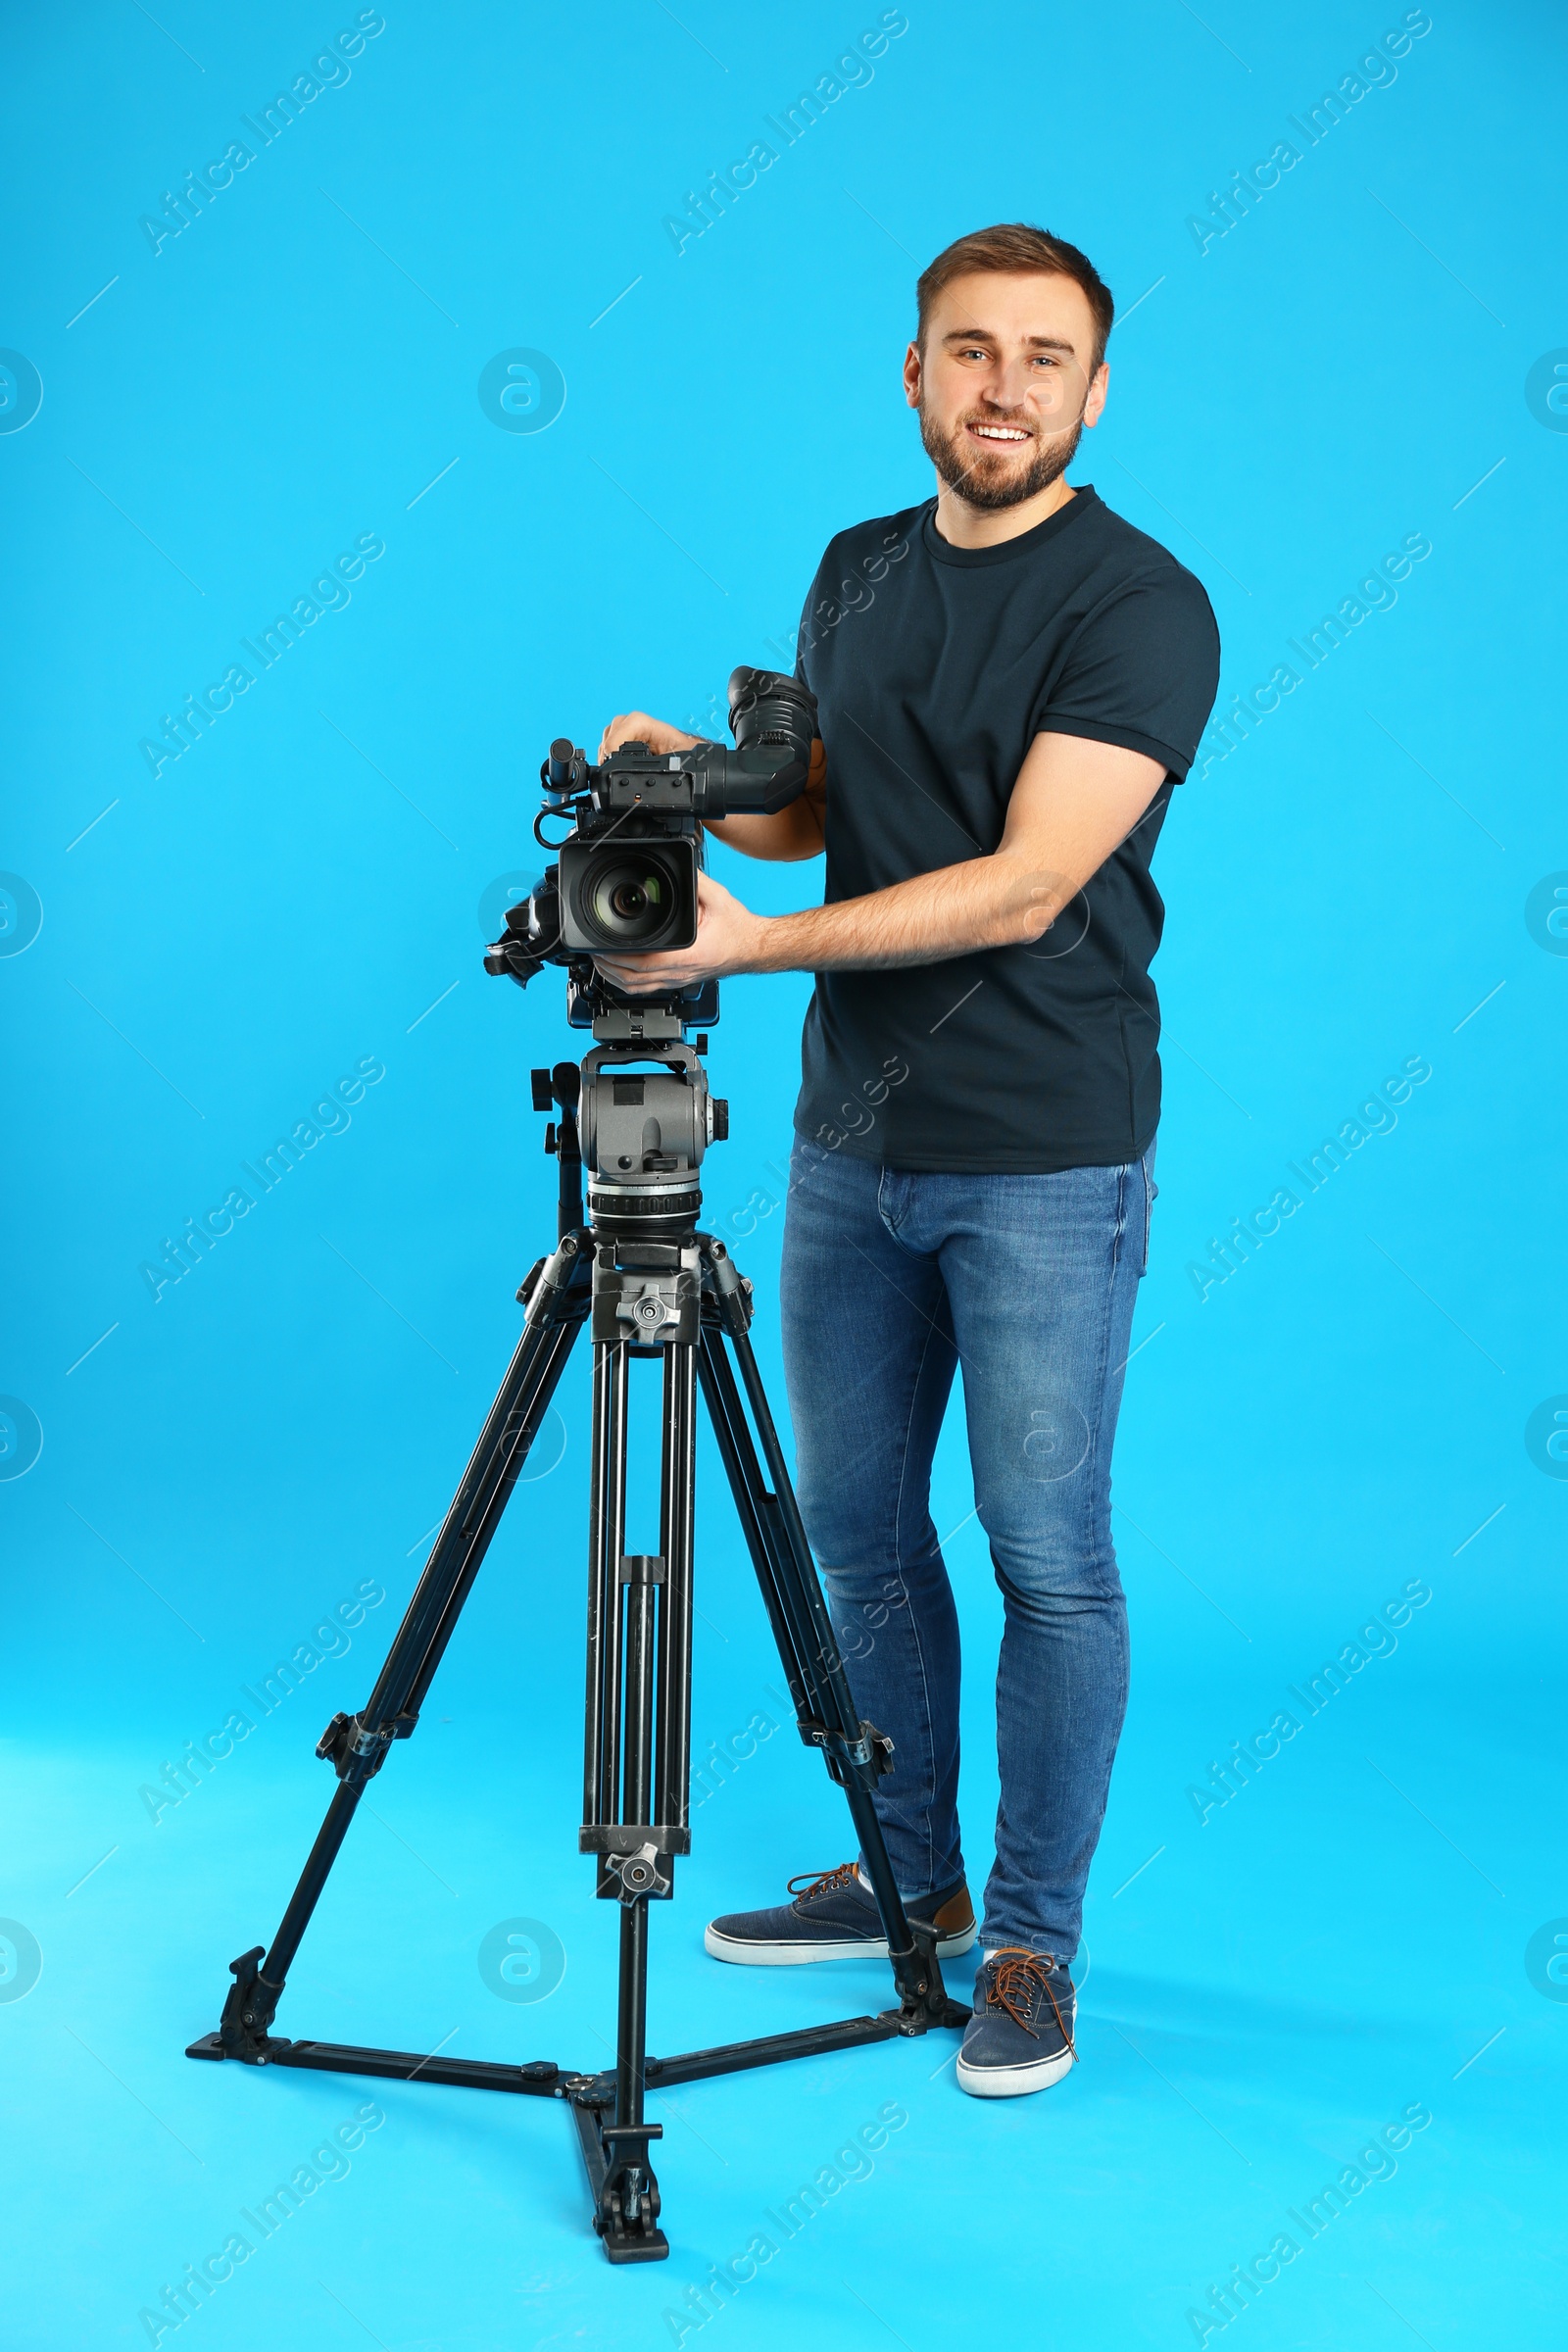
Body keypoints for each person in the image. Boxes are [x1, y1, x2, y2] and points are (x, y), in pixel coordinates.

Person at [593, 222, 1220, 2098]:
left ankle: (1030, 1947)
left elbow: (1031, 882)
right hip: (847, 1143)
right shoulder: (859, 569)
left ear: (1094, 391)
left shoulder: (1141, 603)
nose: (1003, 386)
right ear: (915, 375)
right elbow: (812, 813)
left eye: (1043, 356)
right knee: (857, 1541)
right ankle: (910, 1886)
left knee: (1047, 1558)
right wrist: (685, 781)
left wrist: (741, 947)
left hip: (1042, 1152)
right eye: (969, 351)